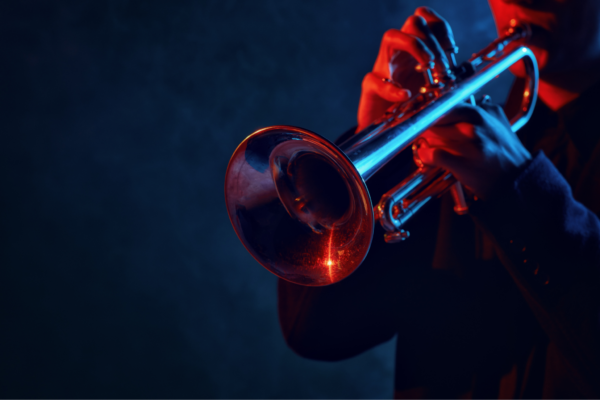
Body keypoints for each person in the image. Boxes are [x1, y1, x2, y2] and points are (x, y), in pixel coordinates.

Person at [277, 0, 600, 398]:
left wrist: (521, 190)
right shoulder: (456, 149)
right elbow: (315, 335)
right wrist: (380, 147)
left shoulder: (493, 163)